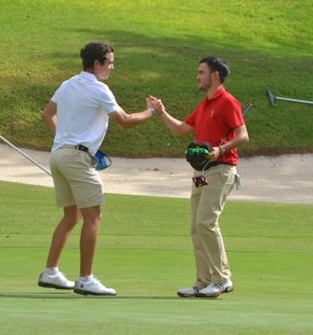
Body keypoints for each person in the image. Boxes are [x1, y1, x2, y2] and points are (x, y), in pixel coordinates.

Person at [39, 41, 161, 296]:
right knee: (93, 216)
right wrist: (152, 111)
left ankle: (51, 272)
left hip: (59, 155)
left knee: (72, 217)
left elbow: (47, 114)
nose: (112, 67)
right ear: (97, 64)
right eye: (110, 62)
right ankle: (85, 278)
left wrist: (63, 138)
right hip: (75, 158)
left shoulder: (67, 83)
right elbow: (125, 121)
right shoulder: (99, 89)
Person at [154, 56, 249, 298]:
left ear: (214, 75)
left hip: (221, 170)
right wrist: (161, 112)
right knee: (197, 227)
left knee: (206, 222)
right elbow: (180, 130)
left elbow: (243, 135)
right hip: (201, 173)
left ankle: (222, 279)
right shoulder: (205, 104)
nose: (197, 76)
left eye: (201, 72)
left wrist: (221, 149)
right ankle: (203, 281)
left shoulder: (227, 101)